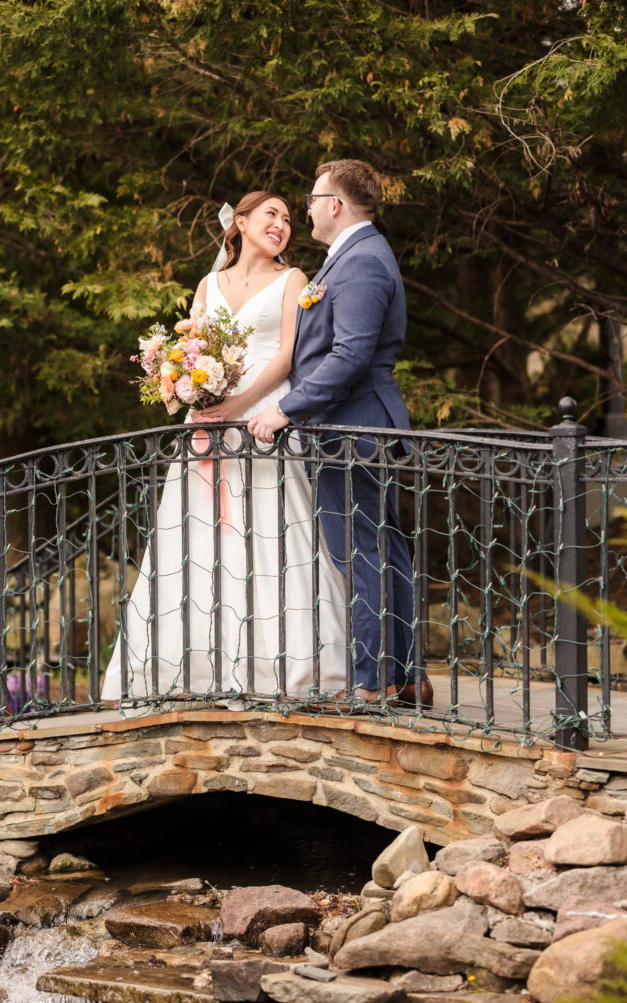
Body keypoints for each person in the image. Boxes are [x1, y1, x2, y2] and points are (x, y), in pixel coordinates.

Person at [101, 191, 348, 701]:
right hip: (207, 423)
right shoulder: (208, 283)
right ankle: (189, 666)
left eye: (286, 218)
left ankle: (285, 667)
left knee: (269, 528)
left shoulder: (293, 279)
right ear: (241, 222)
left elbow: (286, 355)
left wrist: (242, 404)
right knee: (199, 534)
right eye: (270, 215)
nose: (280, 225)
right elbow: (191, 344)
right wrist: (184, 382)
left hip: (263, 415)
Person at [249, 160, 431, 707]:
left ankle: (371, 682)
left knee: (362, 552)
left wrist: (287, 407)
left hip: (353, 427)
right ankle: (405, 676)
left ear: (335, 205)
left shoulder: (363, 263)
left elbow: (351, 354)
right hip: (356, 424)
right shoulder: (354, 257)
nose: (305, 208)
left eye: (311, 198)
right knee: (384, 549)